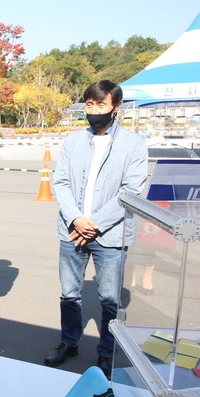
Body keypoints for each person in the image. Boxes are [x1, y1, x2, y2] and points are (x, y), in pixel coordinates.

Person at [44, 80, 148, 379]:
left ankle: (107, 352)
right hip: (72, 230)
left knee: (109, 300)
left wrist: (95, 224)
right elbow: (61, 182)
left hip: (110, 234)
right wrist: (77, 218)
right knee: (69, 294)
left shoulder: (133, 144)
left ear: (116, 107)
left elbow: (130, 191)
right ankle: (69, 342)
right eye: (89, 104)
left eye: (100, 105)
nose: (93, 110)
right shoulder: (74, 141)